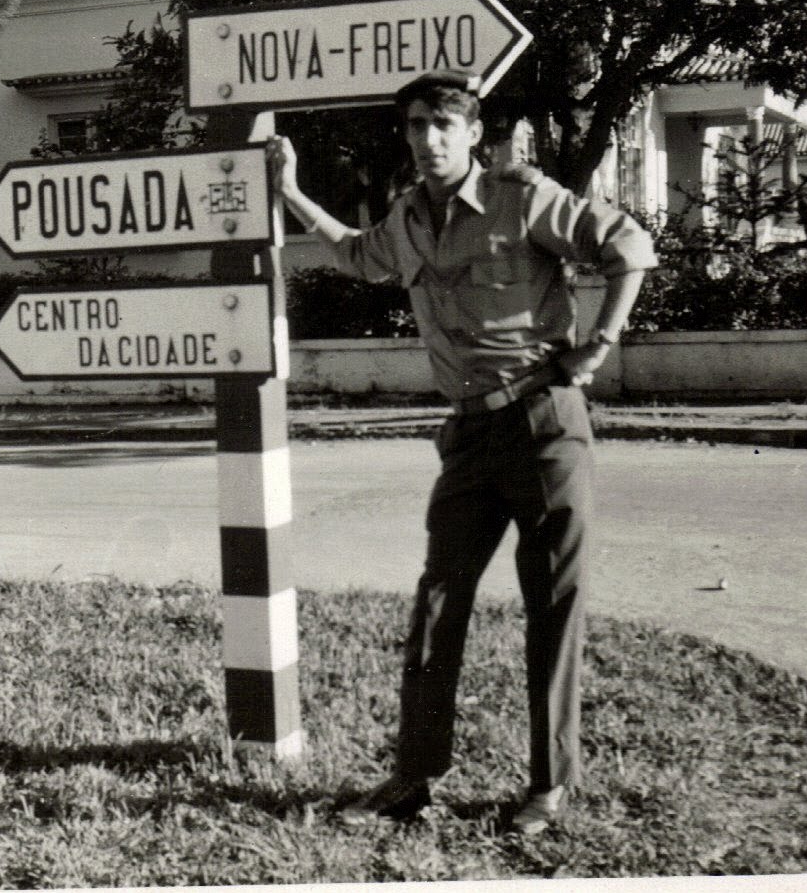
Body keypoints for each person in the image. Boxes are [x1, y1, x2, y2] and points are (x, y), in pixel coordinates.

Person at [266, 68, 657, 835]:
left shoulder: (521, 197)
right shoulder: (408, 215)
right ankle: (412, 777)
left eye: (443, 124)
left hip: (543, 424)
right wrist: (290, 193)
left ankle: (548, 786)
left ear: (473, 134)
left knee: (551, 607)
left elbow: (627, 246)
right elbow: (357, 255)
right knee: (437, 601)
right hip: (469, 434)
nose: (428, 139)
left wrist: (598, 343)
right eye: (416, 125)